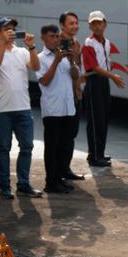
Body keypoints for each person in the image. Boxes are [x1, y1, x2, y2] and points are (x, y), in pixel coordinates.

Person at [0, 18, 43, 200]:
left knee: (27, 147)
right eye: (5, 29)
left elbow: (36, 66)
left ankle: (23, 184)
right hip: (1, 109)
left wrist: (32, 47)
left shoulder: (22, 52)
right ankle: (4, 187)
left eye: (12, 29)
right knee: (4, 148)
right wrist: (2, 44)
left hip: (23, 107)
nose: (10, 32)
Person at [37, 25, 79, 195]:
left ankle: (60, 177)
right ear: (43, 38)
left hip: (67, 107)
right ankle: (51, 181)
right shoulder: (40, 58)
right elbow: (45, 81)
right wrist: (56, 61)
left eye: (57, 36)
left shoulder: (64, 56)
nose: (55, 40)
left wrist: (72, 61)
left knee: (64, 144)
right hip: (52, 109)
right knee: (52, 146)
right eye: (52, 36)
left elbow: (76, 76)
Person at [81, 11, 126, 167]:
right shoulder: (89, 43)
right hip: (94, 81)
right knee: (95, 120)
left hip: (104, 81)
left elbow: (106, 62)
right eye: (94, 24)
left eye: (99, 23)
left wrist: (111, 75)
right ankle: (93, 155)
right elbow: (93, 67)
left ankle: (99, 152)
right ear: (89, 26)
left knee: (103, 118)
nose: (97, 26)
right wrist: (113, 76)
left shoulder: (106, 42)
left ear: (105, 24)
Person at [57, 11, 86, 183]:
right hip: (61, 96)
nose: (75, 26)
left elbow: (78, 70)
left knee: (71, 134)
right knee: (60, 135)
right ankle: (57, 171)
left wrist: (79, 89)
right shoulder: (57, 43)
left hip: (75, 95)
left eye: (76, 23)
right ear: (62, 26)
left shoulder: (77, 44)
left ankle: (66, 169)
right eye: (71, 23)